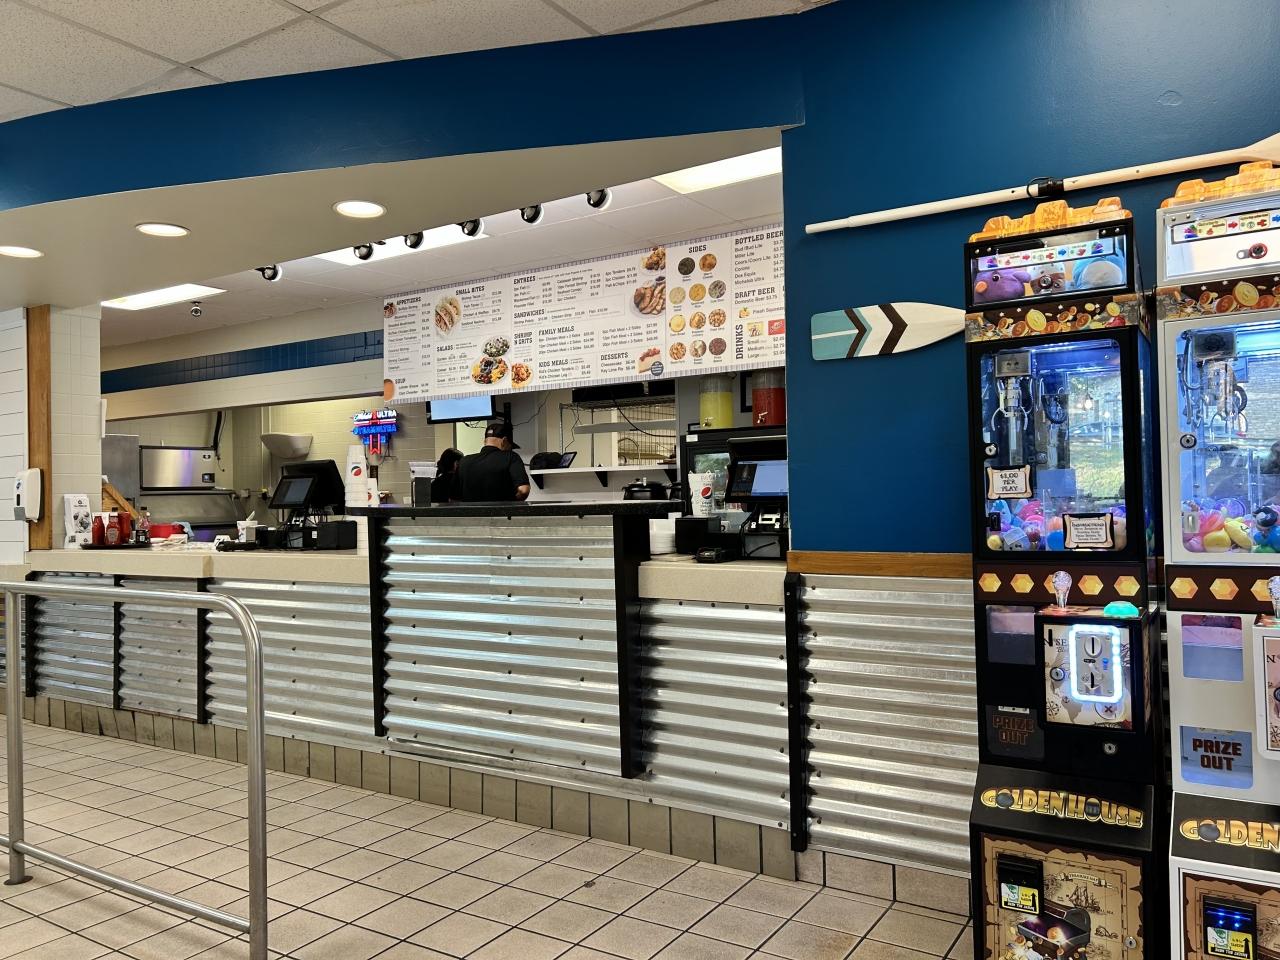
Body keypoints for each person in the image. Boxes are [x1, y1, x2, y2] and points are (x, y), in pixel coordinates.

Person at [456, 422, 530, 502]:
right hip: (502, 509)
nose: (509, 449)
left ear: (484, 441)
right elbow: (523, 490)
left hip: (469, 510)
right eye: (510, 446)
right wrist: (511, 503)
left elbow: (454, 495)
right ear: (504, 441)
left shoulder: (464, 461)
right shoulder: (511, 457)